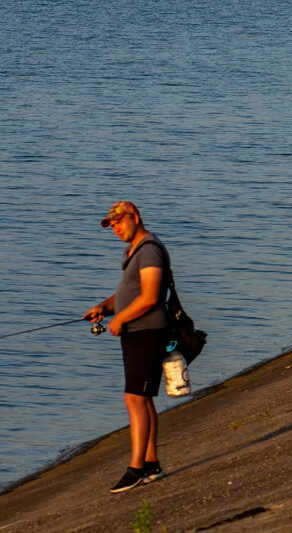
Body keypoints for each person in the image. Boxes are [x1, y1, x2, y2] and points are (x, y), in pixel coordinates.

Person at [83, 201, 171, 494]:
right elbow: (128, 291)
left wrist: (119, 317)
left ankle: (136, 469)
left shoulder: (148, 250)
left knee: (134, 398)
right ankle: (151, 464)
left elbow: (149, 296)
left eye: (120, 222)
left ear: (135, 217)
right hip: (136, 333)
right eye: (112, 225)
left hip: (148, 332)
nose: (116, 228)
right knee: (142, 399)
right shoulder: (133, 249)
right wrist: (106, 307)